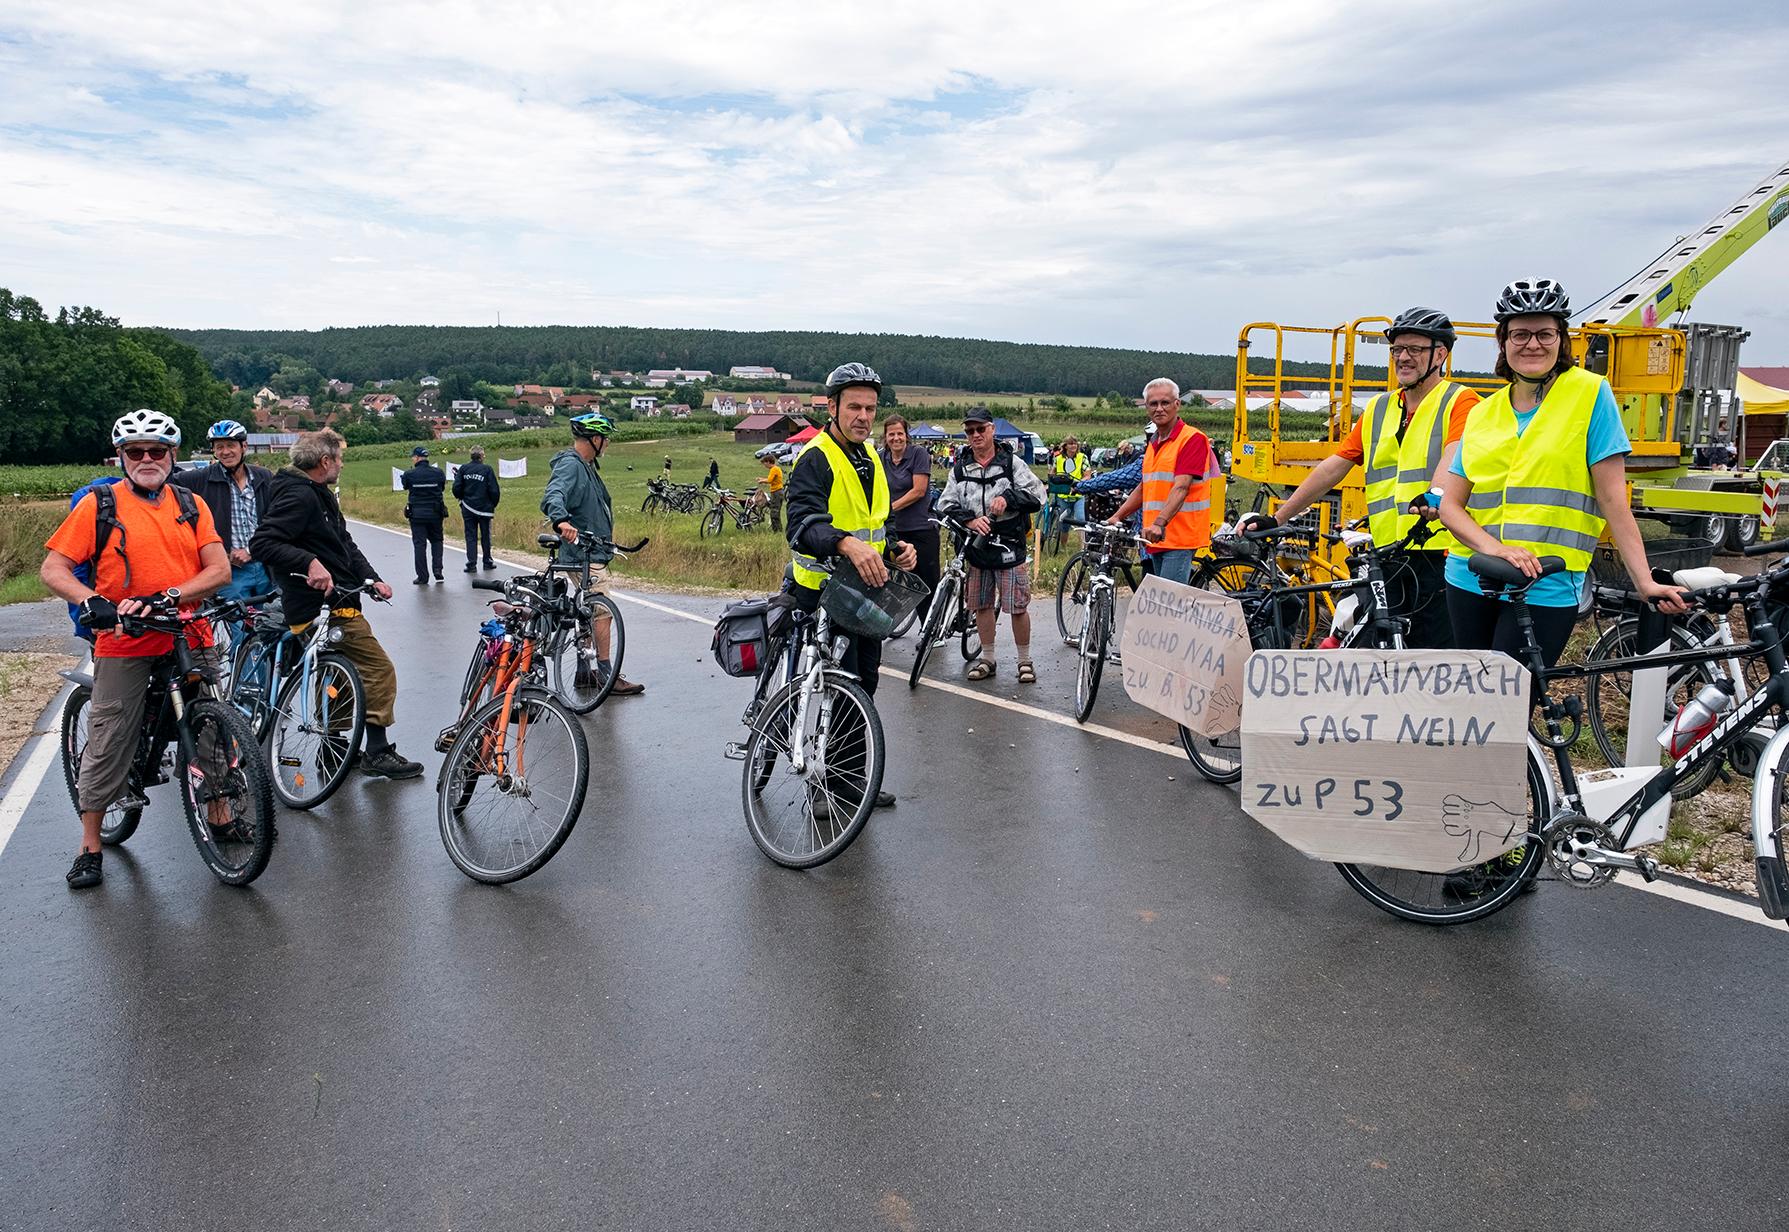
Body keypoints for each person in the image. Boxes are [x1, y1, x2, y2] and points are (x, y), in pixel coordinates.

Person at [1438, 278, 1687, 668]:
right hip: (1469, 575)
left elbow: (1612, 500)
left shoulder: (1591, 394)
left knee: (1514, 704)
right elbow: (1451, 506)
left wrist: (1643, 581)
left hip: (1546, 583)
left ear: (1562, 340)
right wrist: (1495, 549)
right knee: (1470, 705)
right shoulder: (1483, 412)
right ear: (1502, 342)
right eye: (1520, 334)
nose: (1532, 344)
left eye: (1544, 333)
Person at [40, 410, 232, 889]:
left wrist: (170, 596)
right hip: (124, 638)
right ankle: (90, 846)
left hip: (189, 632)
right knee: (109, 736)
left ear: (172, 456)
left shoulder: (189, 503)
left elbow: (218, 570)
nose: (147, 459)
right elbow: (54, 568)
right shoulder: (100, 504)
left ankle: (223, 816)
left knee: (212, 729)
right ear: (121, 457)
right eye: (136, 451)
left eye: (157, 451)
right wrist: (92, 601)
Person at [1241, 308, 1479, 648]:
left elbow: (1453, 454)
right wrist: (1278, 517)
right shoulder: (1379, 409)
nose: (1403, 358)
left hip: (1439, 551)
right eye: (1397, 350)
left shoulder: (1460, 401)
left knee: (1434, 656)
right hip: (1390, 554)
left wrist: (1437, 495)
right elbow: (1332, 467)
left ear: (1439, 354)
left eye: (1414, 349)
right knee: (1383, 652)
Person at [250, 429, 422, 779]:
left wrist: (372, 579)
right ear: (324, 461)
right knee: (378, 670)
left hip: (337, 599)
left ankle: (333, 749)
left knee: (337, 676)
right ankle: (377, 750)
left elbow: (343, 542)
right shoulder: (299, 496)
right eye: (339, 459)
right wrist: (309, 562)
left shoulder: (317, 493)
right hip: (321, 607)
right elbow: (263, 543)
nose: (341, 465)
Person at [785, 363, 919, 806]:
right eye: (855, 406)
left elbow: (879, 522)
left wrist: (896, 547)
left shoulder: (871, 459)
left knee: (862, 685)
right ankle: (819, 786)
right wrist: (845, 545)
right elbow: (802, 525)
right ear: (832, 407)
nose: (864, 415)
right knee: (830, 687)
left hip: (865, 588)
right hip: (822, 590)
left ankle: (850, 782)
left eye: (871, 408)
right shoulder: (816, 458)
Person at [938, 405, 1046, 683]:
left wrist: (1009, 499)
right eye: (970, 431)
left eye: (980, 429)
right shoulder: (960, 467)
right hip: (976, 546)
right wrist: (971, 522)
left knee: (1017, 606)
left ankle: (1024, 661)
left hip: (1009, 544)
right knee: (981, 605)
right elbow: (945, 504)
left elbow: (1038, 496)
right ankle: (988, 659)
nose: (975, 435)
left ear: (992, 430)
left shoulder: (1011, 463)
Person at [542, 412, 645, 697]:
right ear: (595, 439)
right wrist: (561, 520)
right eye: (606, 438)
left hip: (591, 551)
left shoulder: (586, 466)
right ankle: (605, 673)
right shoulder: (571, 465)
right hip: (581, 554)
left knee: (586, 611)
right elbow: (554, 493)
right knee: (602, 610)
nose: (608, 443)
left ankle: (584, 672)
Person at [169, 418, 274, 647]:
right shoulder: (202, 479)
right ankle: (246, 683)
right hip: (231, 572)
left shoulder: (263, 477)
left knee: (272, 630)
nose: (225, 452)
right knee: (241, 636)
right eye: (219, 447)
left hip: (266, 567)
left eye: (230, 445)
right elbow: (164, 482)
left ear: (243, 446)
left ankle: (268, 682)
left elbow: (275, 520)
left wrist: (251, 549)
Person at [1106, 379, 1219, 584]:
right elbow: (1145, 487)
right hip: (1155, 536)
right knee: (1162, 604)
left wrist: (1159, 522)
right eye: (1153, 404)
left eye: (1165, 403)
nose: (1159, 409)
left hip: (1179, 535)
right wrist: (1117, 516)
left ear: (1177, 404)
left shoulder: (1192, 439)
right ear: (1146, 407)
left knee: (1168, 606)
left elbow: (1182, 487)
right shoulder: (1155, 442)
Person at [879, 416, 936, 617]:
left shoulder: (918, 454)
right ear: (885, 437)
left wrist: (888, 509)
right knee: (888, 581)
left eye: (900, 433)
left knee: (925, 583)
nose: (896, 438)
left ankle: (929, 630)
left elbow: (919, 491)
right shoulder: (880, 458)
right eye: (891, 434)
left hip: (920, 528)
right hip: (894, 530)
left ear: (906, 436)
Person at [400, 445, 447, 584]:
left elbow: (405, 486)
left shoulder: (409, 474)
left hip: (417, 515)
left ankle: (422, 576)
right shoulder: (438, 472)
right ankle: (438, 570)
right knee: (437, 541)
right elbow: (442, 487)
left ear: (417, 458)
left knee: (420, 545)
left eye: (413, 457)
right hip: (435, 513)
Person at [452, 444, 501, 572]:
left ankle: (472, 563)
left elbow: (456, 488)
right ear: (481, 456)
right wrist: (492, 505)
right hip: (484, 509)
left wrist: (461, 498)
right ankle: (487, 561)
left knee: (470, 535)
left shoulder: (463, 469)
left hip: (468, 507)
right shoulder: (487, 469)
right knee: (486, 535)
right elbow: (494, 490)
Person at [1051, 435, 1090, 524]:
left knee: (1080, 520)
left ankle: (1083, 538)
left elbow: (1088, 476)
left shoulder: (1082, 457)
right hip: (1063, 495)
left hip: (1078, 494)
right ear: (1065, 446)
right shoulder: (1058, 459)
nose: (1074, 446)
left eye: (1075, 444)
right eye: (1071, 444)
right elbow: (1052, 473)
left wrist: (1078, 483)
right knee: (1064, 525)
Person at [763, 452, 787, 533]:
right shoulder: (776, 468)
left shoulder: (774, 469)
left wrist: (762, 481)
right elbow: (772, 479)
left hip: (776, 492)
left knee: (774, 512)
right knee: (775, 511)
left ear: (769, 462)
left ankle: (777, 531)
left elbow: (769, 480)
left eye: (765, 463)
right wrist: (762, 479)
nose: (764, 465)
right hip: (778, 491)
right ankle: (778, 530)